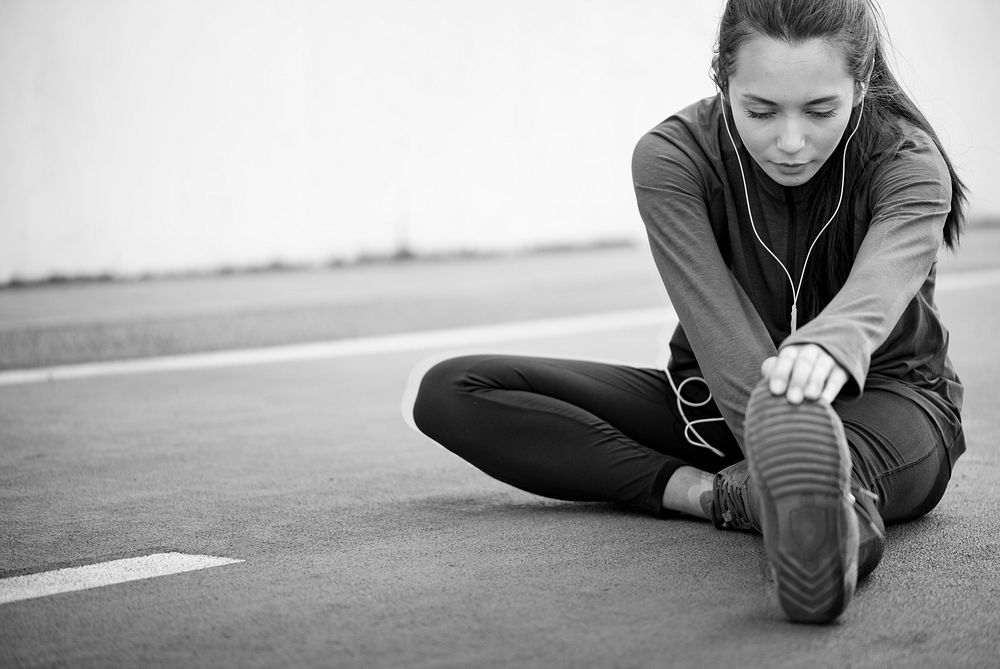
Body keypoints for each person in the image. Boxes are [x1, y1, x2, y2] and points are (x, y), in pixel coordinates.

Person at [410, 0, 967, 624]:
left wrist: (828, 346)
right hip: (717, 407)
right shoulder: (672, 157)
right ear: (721, 79)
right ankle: (717, 495)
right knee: (452, 389)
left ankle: (823, 512)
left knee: (818, 476)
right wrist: (761, 432)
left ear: (861, 87)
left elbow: (879, 285)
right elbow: (715, 322)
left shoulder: (909, 164)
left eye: (819, 110)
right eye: (759, 110)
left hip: (890, 405)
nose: (789, 141)